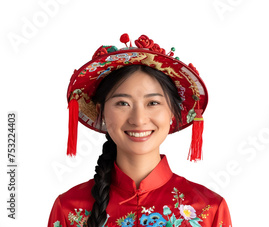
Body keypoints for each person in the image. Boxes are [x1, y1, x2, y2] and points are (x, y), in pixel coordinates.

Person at [48, 34, 232, 227]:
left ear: (171, 112)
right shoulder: (69, 209)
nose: (138, 119)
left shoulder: (208, 210)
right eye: (123, 103)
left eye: (153, 103)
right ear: (100, 112)